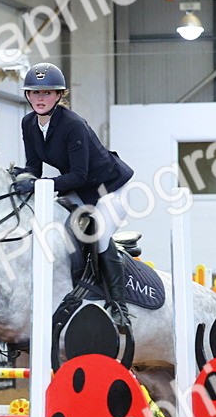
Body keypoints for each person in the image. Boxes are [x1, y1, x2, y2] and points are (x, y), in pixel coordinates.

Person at [12, 62, 135, 330]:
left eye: (46, 93)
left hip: (110, 187)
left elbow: (78, 175)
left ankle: (119, 307)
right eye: (34, 93)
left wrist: (38, 185)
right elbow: (34, 166)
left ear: (59, 95)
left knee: (98, 235)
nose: (40, 99)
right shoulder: (28, 123)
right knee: (59, 230)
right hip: (80, 189)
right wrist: (21, 177)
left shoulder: (73, 125)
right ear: (27, 96)